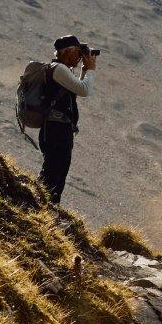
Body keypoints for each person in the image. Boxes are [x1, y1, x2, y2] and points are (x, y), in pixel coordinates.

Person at [38, 34, 96, 204]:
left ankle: (47, 204)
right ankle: (46, 205)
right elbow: (84, 90)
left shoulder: (62, 70)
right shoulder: (58, 69)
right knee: (54, 169)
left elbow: (77, 89)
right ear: (68, 51)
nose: (80, 57)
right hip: (56, 129)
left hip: (59, 129)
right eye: (78, 52)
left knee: (58, 169)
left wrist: (85, 69)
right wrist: (90, 70)